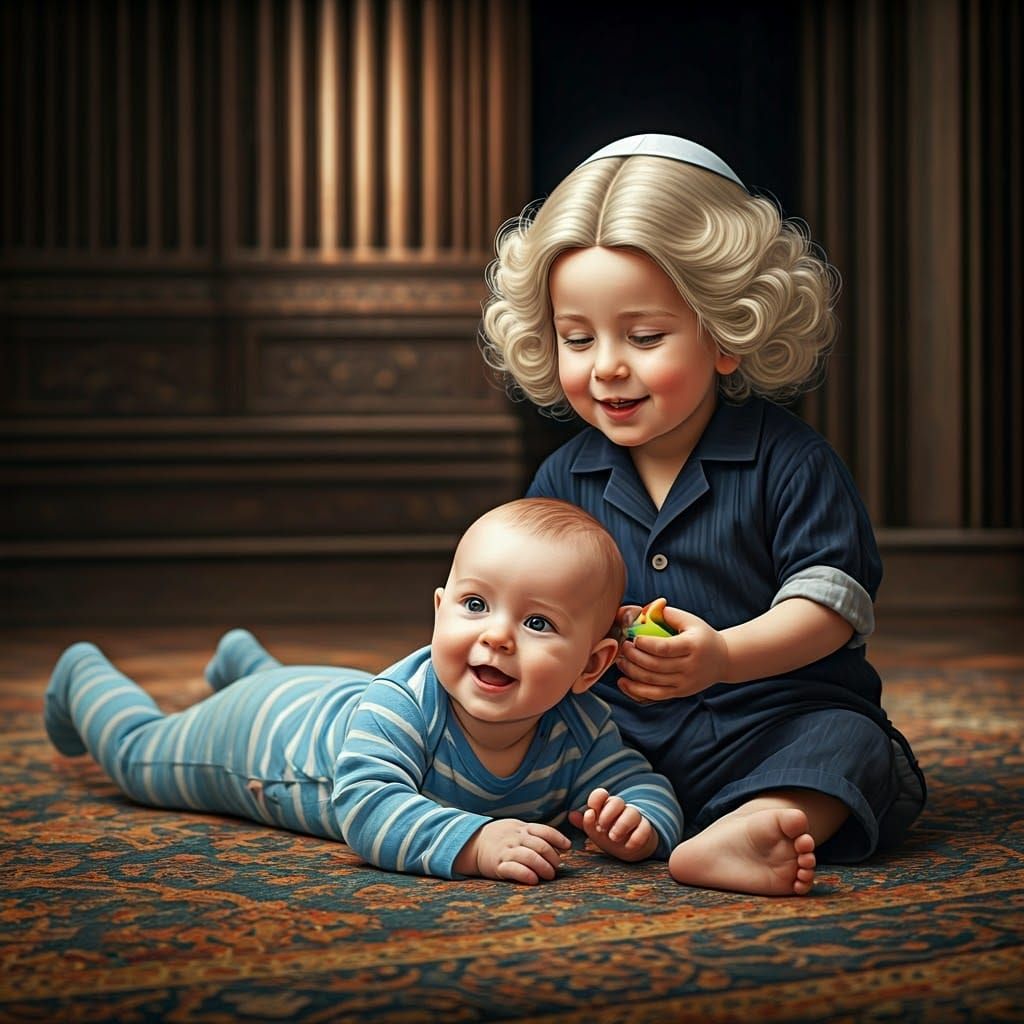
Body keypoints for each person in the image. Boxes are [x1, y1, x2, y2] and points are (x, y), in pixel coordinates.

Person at [480, 133, 926, 897]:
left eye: (644, 336)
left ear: (727, 332)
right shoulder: (564, 476)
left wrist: (723, 658)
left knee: (853, 746)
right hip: (619, 738)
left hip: (770, 720)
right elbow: (531, 612)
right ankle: (624, 813)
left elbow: (831, 606)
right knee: (523, 735)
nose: (607, 365)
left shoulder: (791, 462)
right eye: (577, 338)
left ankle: (762, 821)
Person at [43, 498, 684, 885]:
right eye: (475, 604)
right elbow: (366, 808)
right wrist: (474, 843)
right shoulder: (403, 706)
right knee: (137, 757)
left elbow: (640, 779)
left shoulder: (582, 726)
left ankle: (248, 661)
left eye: (537, 623)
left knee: (293, 683)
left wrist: (642, 822)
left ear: (590, 667)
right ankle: (83, 674)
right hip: (265, 739)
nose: (499, 637)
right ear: (439, 611)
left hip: (327, 694)